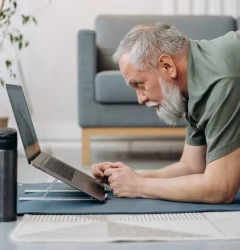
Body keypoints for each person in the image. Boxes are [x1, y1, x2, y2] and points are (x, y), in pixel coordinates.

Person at [91, 23, 240, 204]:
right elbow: (192, 166)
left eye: (139, 84)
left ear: (167, 66)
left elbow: (220, 189)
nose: (140, 99)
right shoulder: (193, 80)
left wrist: (140, 186)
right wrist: (130, 178)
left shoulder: (219, 82)